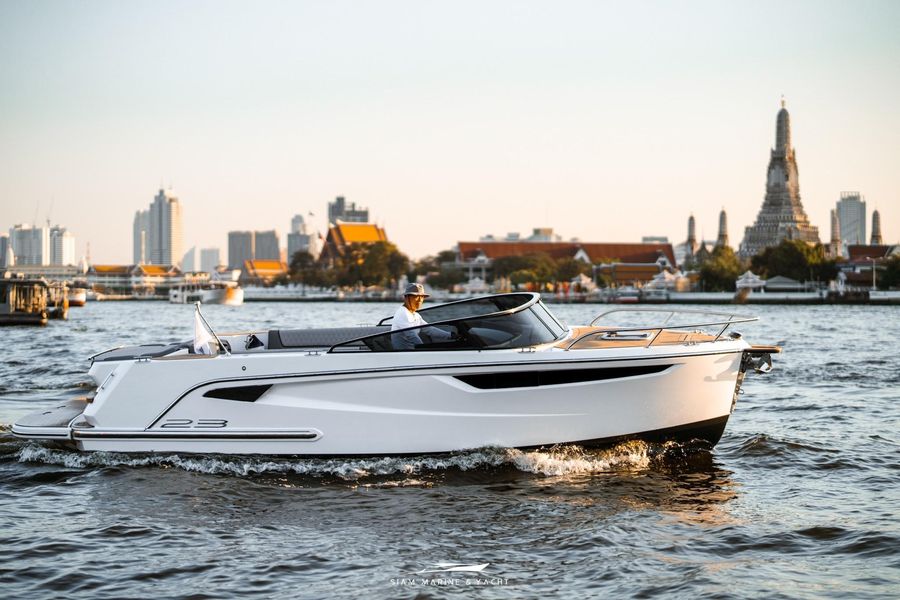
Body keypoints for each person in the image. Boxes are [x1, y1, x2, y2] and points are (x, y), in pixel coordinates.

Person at [391, 283, 452, 350]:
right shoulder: (402, 313)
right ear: (406, 297)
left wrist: (450, 335)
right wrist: (423, 349)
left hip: (414, 352)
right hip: (404, 354)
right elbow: (411, 335)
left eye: (422, 297)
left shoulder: (416, 315)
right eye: (416, 296)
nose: (420, 300)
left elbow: (429, 329)